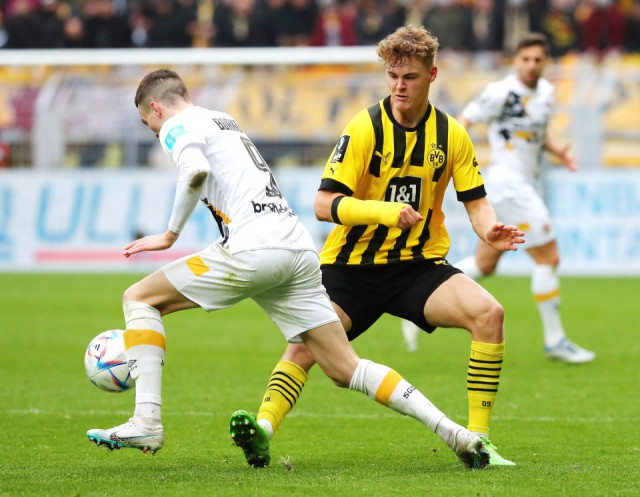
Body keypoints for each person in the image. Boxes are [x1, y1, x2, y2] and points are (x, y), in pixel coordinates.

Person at [85, 68, 492, 470]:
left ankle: (146, 422)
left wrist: (169, 234)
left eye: (149, 124)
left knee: (139, 298)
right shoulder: (222, 120)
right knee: (345, 367)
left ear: (156, 109)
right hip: (296, 247)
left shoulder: (177, 125)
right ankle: (456, 433)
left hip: (252, 247)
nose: (155, 132)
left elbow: (195, 170)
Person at [231, 25, 524, 470]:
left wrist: (490, 230)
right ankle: (263, 431)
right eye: (392, 76)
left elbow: (477, 204)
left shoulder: (452, 135)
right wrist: (384, 212)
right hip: (352, 267)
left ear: (432, 75)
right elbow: (323, 204)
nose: (399, 86)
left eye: (410, 77)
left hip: (417, 265)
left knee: (490, 315)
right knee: (305, 346)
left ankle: (480, 440)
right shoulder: (364, 127)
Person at [402, 33, 595, 364]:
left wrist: (560, 150)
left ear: (545, 62)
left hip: (519, 185)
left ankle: (415, 300)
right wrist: (446, 160)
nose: (531, 65)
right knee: (549, 258)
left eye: (537, 60)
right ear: (515, 61)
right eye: (525, 59)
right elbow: (462, 123)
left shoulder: (546, 94)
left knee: (485, 264)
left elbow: (538, 133)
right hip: (509, 185)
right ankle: (555, 340)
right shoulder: (500, 92)